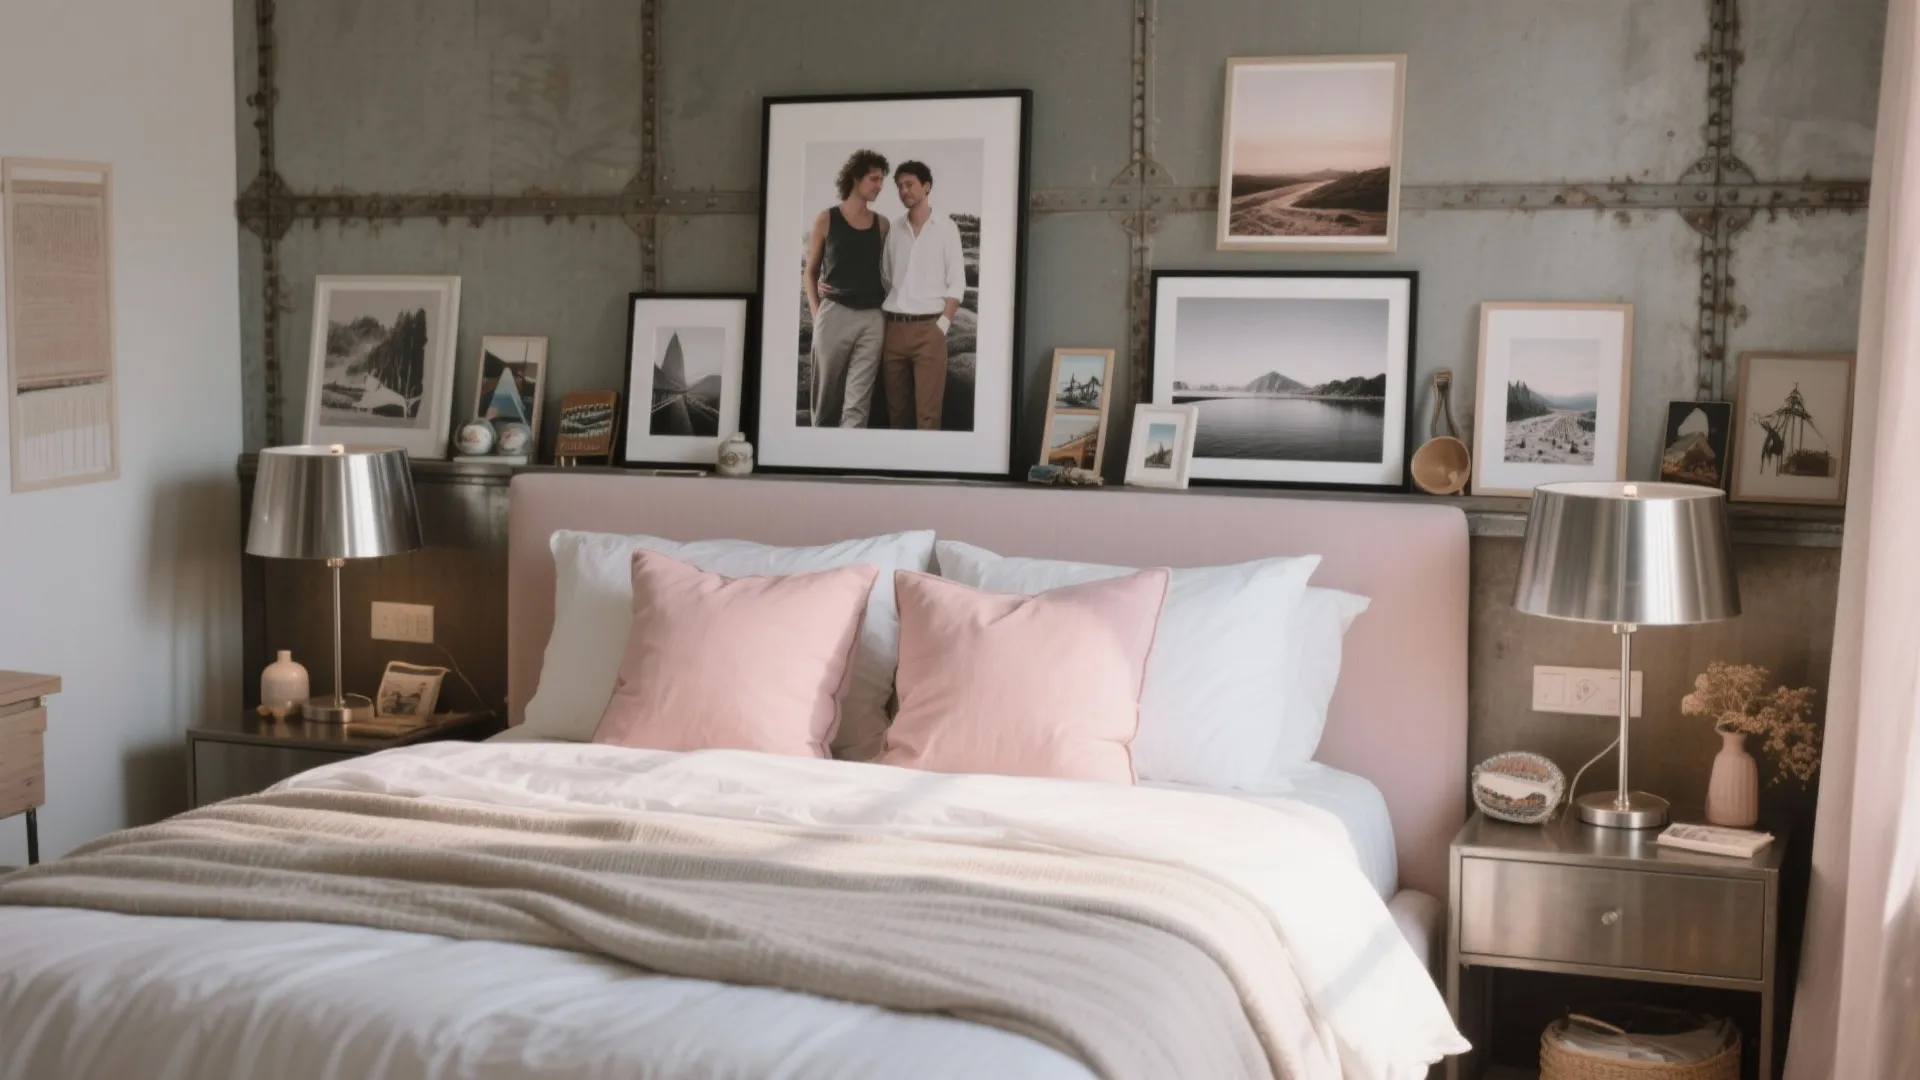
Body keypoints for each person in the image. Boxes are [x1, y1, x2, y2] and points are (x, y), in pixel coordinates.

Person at [802, 149, 890, 427]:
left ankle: (849, 464)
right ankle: (820, 462)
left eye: (881, 180)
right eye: (874, 179)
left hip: (872, 319)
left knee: (858, 404)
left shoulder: (882, 224)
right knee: (826, 402)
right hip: (833, 314)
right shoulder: (825, 219)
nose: (880, 186)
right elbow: (811, 272)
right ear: (856, 178)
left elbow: (887, 271)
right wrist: (818, 315)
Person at [879, 160, 967, 431]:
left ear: (926, 186)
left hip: (930, 330)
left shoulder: (947, 229)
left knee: (928, 417)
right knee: (896, 415)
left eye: (910, 184)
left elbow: (957, 283)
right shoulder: (894, 229)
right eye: (899, 186)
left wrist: (941, 326)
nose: (904, 191)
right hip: (894, 331)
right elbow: (886, 277)